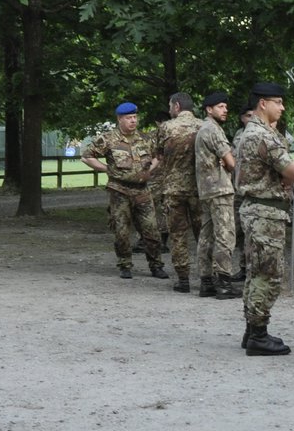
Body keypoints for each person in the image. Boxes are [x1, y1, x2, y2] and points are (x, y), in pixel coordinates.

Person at [233, 82, 294, 356]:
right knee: (269, 274)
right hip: (265, 212)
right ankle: (258, 336)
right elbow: (292, 170)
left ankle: (252, 329)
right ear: (263, 103)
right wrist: (289, 175)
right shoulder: (262, 135)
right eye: (278, 102)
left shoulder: (251, 132)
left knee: (255, 272)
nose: (283, 107)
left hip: (258, 210)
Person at [81, 102, 167, 280]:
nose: (133, 121)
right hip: (119, 191)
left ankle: (156, 265)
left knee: (151, 230)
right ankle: (125, 264)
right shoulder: (108, 139)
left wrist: (149, 170)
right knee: (121, 231)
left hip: (142, 191)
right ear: (119, 119)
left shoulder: (145, 139)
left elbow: (158, 156)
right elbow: (87, 156)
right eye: (129, 118)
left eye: (135, 117)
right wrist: (106, 169)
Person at [153, 93, 203, 292]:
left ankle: (183, 279)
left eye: (170, 105)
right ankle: (209, 276)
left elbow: (158, 155)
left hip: (173, 188)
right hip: (199, 188)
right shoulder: (204, 126)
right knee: (204, 234)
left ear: (176, 106)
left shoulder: (165, 127)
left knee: (178, 234)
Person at [194, 92, 240, 299]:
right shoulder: (214, 130)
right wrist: (229, 164)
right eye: (220, 106)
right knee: (225, 235)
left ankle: (206, 281)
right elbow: (230, 161)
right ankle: (223, 282)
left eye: (225, 107)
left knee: (206, 235)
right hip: (220, 188)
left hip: (206, 189)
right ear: (209, 109)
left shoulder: (203, 129)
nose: (225, 110)